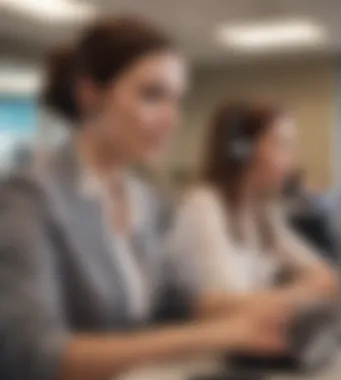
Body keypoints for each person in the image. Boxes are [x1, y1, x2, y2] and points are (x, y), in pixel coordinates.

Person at [0, 17, 288, 380]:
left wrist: (265, 309)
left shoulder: (145, 200)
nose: (172, 119)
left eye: (177, 100)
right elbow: (36, 356)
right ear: (91, 94)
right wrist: (210, 335)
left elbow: (171, 305)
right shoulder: (28, 199)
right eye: (152, 95)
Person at [168, 99, 339, 303]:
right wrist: (303, 290)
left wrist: (309, 286)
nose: (292, 161)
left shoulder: (260, 211)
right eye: (281, 145)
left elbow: (322, 273)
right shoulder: (203, 207)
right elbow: (228, 304)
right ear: (242, 150)